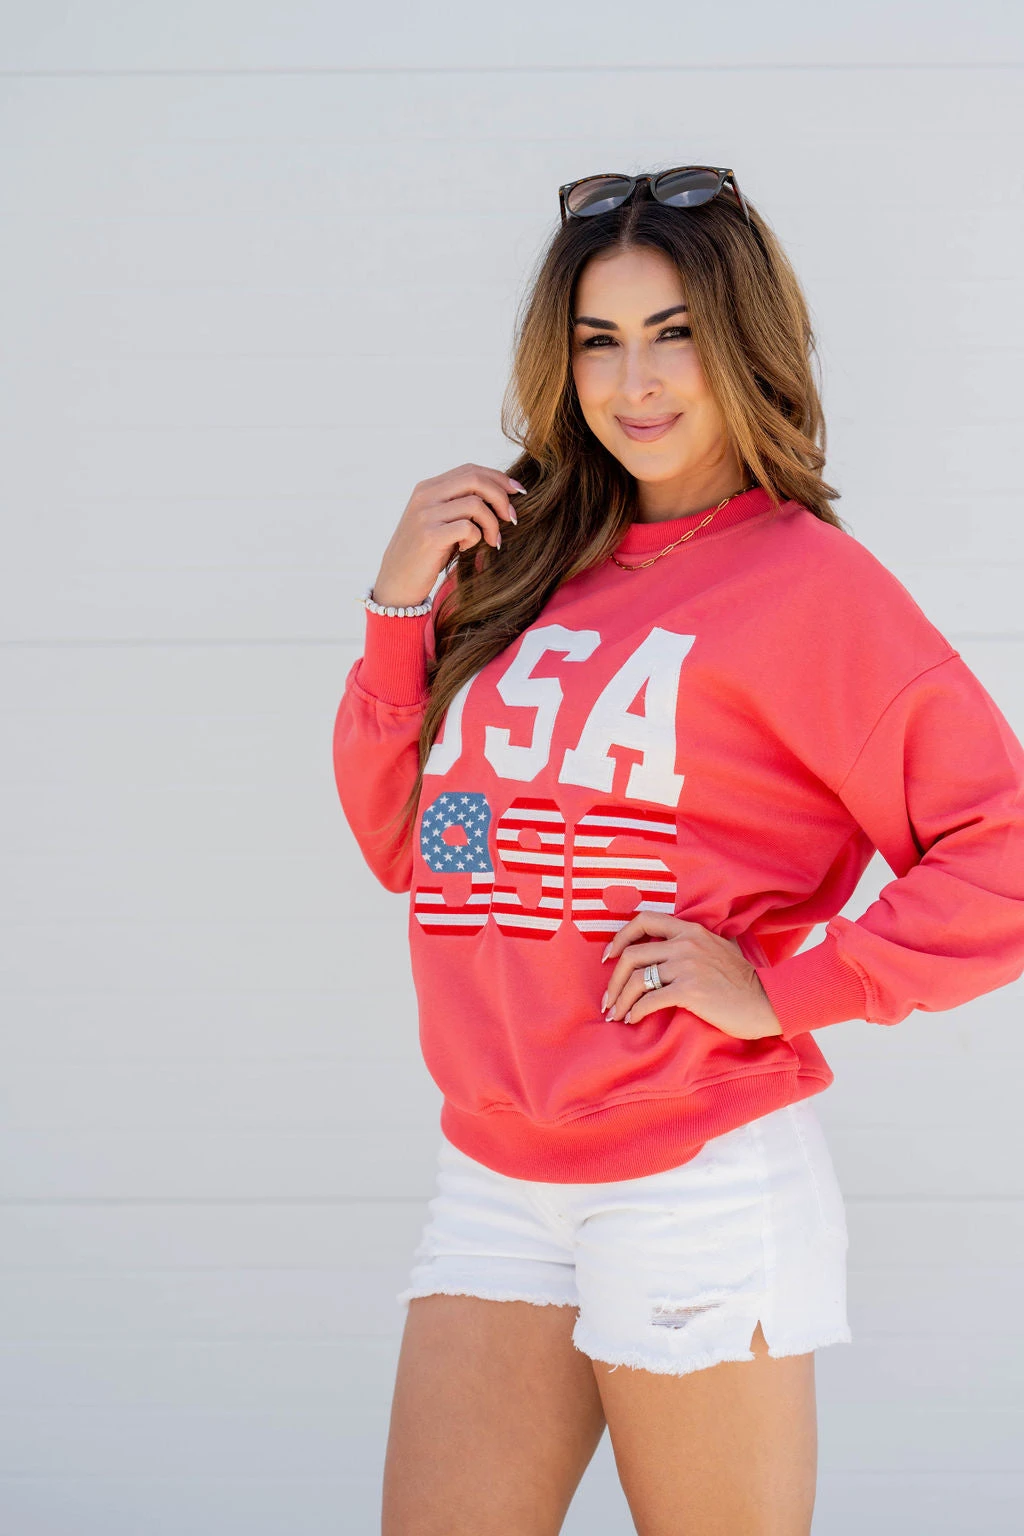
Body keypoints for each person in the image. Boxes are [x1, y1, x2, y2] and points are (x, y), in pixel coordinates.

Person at [332, 166, 1024, 1535]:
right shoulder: (524, 564)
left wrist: (785, 991)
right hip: (496, 1170)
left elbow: (1000, 852)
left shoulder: (809, 587)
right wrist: (401, 606)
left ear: (742, 342)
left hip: (691, 1177)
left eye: (675, 334)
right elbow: (411, 844)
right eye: (599, 340)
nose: (634, 381)